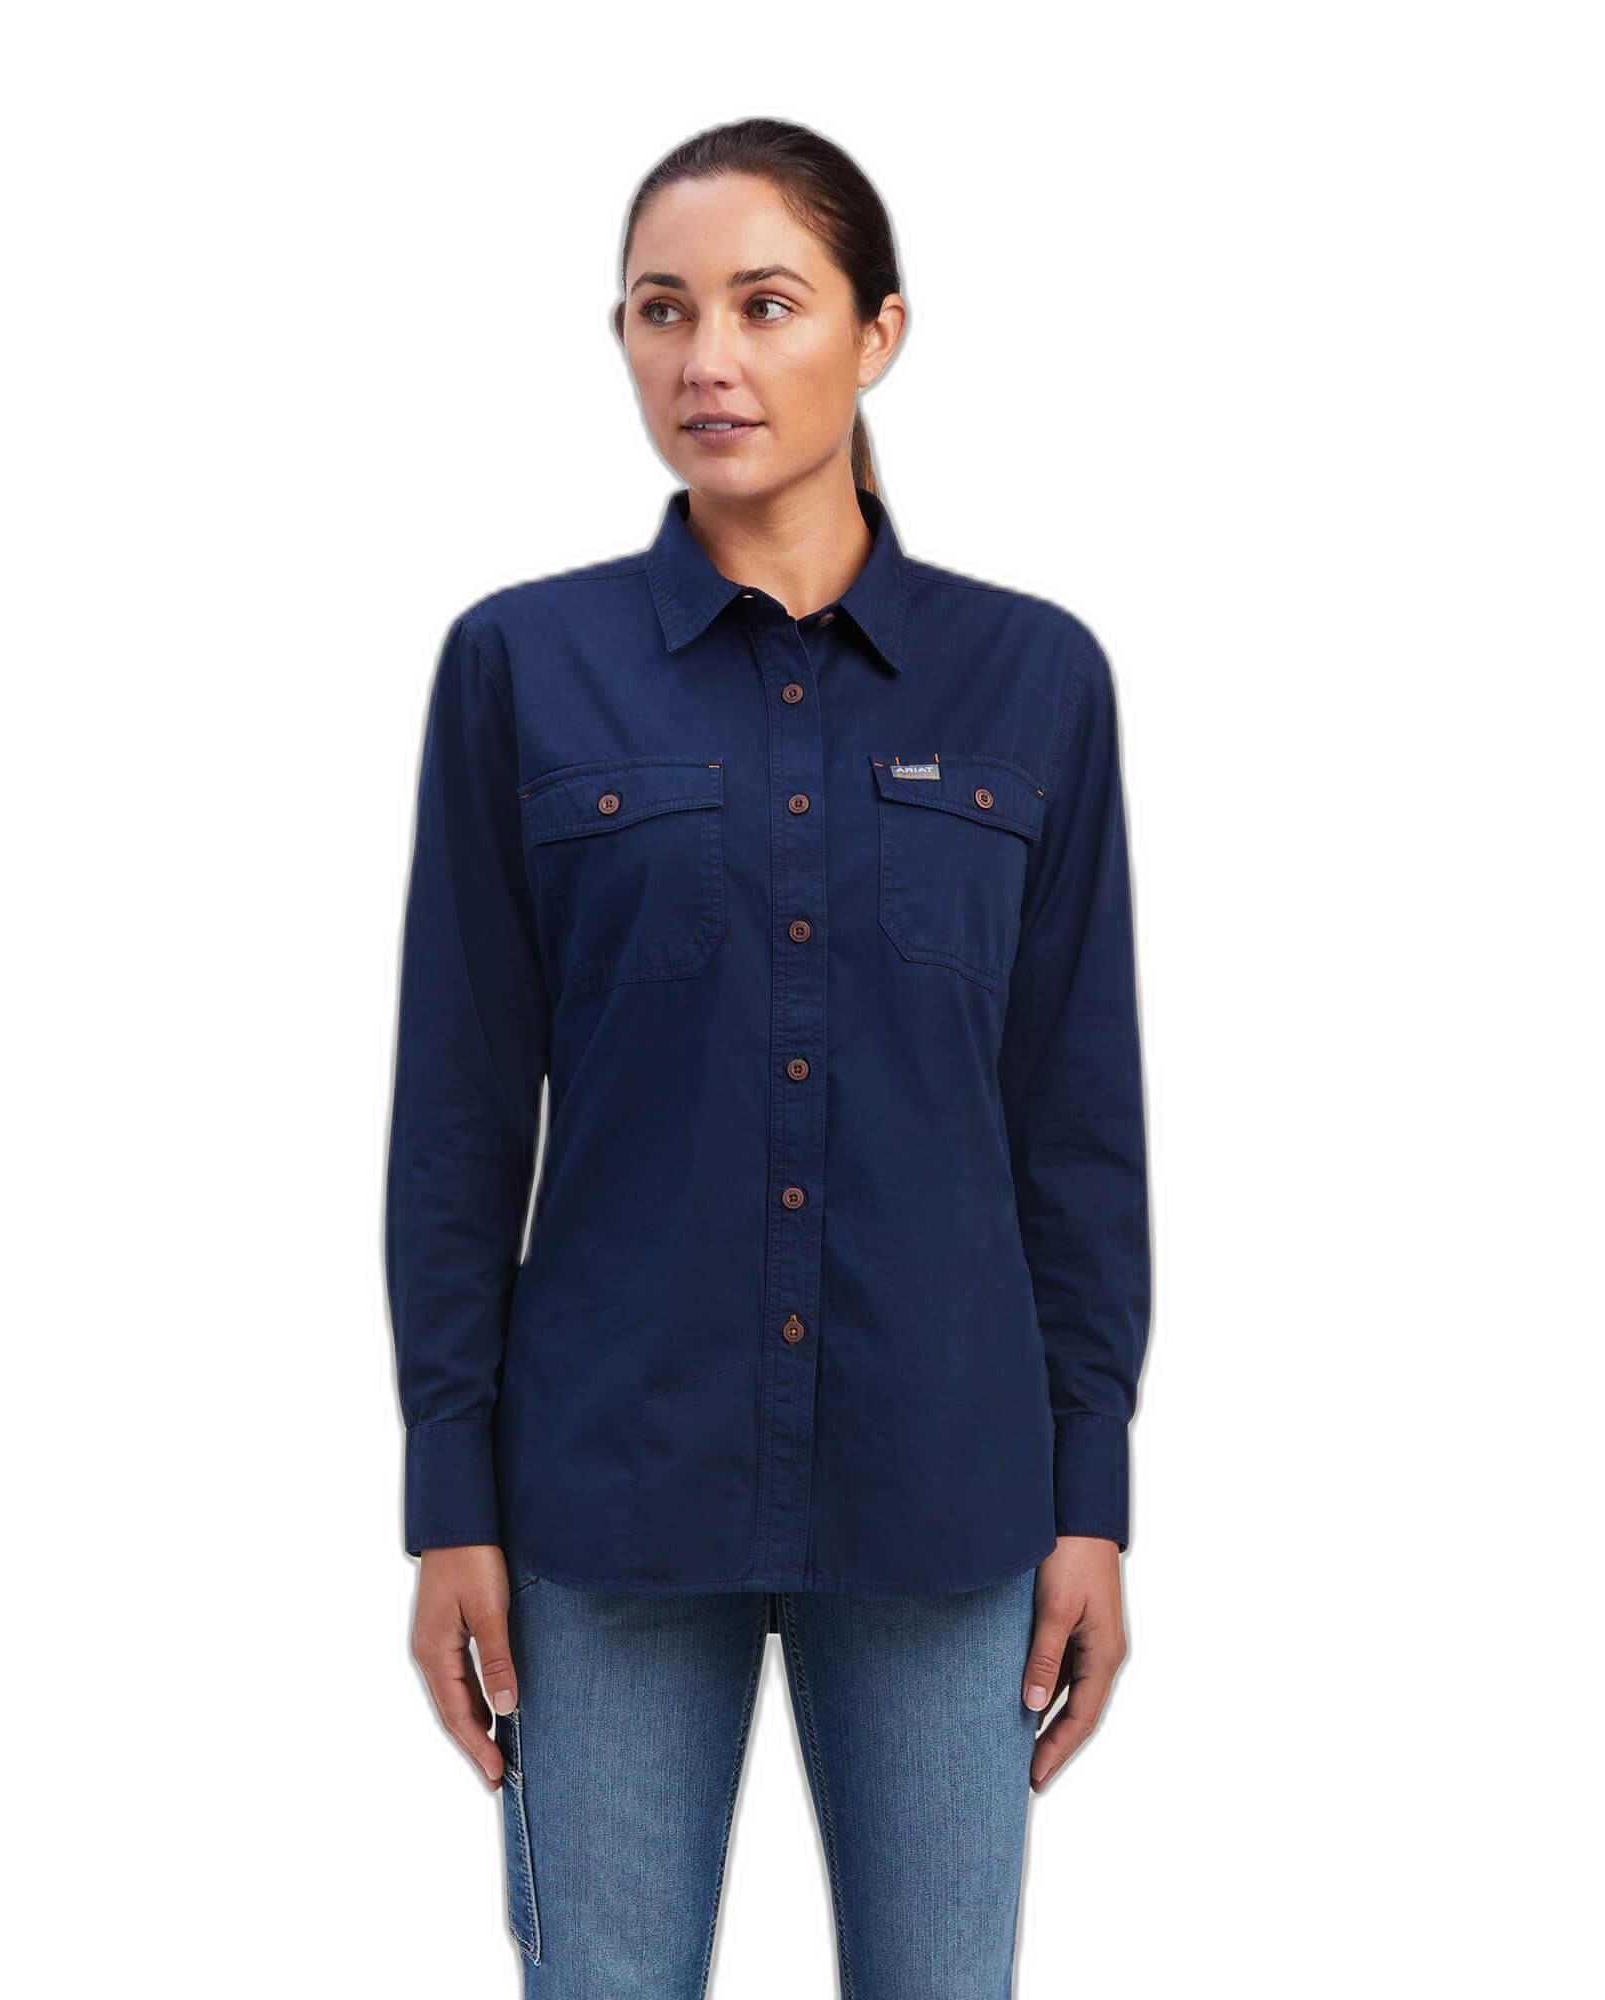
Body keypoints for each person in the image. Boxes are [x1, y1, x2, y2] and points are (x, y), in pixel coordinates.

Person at [384, 117, 1151, 1998]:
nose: (706, 359)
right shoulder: (519, 667)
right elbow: (460, 1119)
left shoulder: (1037, 679)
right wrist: (448, 1500)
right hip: (605, 1498)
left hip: (949, 1490)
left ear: (879, 332)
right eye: (662, 311)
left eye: (765, 304)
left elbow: (1075, 1126)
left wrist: (1094, 1495)